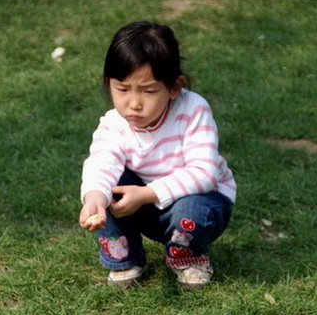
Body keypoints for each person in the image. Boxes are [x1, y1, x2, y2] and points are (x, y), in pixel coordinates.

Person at [79, 21, 236, 289]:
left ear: (174, 87)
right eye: (122, 89)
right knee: (107, 186)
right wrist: (94, 196)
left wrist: (145, 194)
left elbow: (205, 174)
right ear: (109, 83)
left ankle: (189, 256)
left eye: (149, 91)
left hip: (201, 203)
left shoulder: (193, 110)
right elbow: (101, 162)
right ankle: (125, 259)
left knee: (191, 209)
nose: (134, 103)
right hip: (143, 205)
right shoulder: (113, 123)